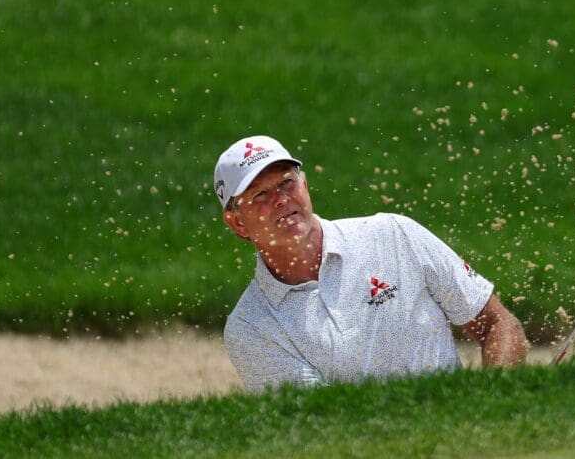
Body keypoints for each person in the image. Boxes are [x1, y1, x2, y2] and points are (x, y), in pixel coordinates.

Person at [213, 135, 529, 391]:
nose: (281, 199)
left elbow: (497, 325)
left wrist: (494, 401)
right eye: (261, 196)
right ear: (237, 224)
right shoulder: (251, 328)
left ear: (305, 186)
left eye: (286, 183)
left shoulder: (393, 234)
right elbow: (323, 425)